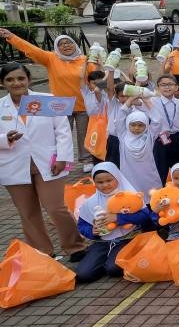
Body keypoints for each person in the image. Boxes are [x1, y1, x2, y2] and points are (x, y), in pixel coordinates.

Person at [0, 62, 86, 261]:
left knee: (55, 207)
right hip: (13, 166)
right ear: (3, 83)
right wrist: (6, 139)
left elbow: (63, 131)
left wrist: (63, 158)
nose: (16, 83)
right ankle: (43, 253)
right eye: (10, 80)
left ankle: (75, 246)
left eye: (21, 78)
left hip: (48, 163)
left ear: (29, 79)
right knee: (28, 212)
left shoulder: (46, 100)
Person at [0, 29, 91, 165]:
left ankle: (86, 159)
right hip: (59, 105)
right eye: (61, 44)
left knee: (84, 134)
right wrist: (13, 37)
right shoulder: (51, 58)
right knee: (57, 135)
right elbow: (31, 49)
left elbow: (96, 79)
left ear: (75, 44)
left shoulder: (85, 60)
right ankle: (58, 160)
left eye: (69, 43)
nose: (66, 45)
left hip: (83, 105)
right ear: (56, 47)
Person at [75, 162, 155, 282]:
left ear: (117, 178)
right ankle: (102, 261)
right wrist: (92, 231)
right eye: (100, 182)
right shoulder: (91, 202)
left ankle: (108, 262)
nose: (105, 185)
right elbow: (82, 225)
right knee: (83, 274)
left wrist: (118, 218)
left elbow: (145, 216)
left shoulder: (130, 195)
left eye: (109, 180)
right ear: (94, 183)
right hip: (102, 241)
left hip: (127, 238)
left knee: (114, 269)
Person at [150, 74, 179, 185]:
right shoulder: (153, 102)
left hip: (178, 139)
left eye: (170, 84)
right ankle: (160, 194)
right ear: (157, 88)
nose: (167, 87)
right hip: (161, 139)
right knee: (160, 170)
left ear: (176, 87)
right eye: (163, 85)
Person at [119, 110, 163, 197]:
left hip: (147, 175)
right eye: (133, 125)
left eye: (140, 125)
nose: (136, 128)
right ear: (128, 124)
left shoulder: (150, 136)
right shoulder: (123, 135)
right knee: (131, 198)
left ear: (146, 125)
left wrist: (146, 101)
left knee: (152, 197)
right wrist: (129, 102)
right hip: (129, 175)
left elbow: (157, 120)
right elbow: (119, 119)